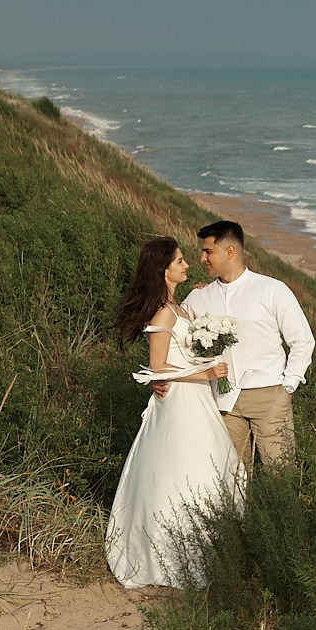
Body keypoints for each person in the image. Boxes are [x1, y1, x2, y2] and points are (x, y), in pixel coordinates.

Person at [105, 237, 244, 589]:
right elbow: (157, 366)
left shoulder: (178, 307)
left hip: (197, 400)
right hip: (181, 402)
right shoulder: (165, 312)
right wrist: (206, 373)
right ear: (163, 269)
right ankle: (170, 552)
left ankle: (207, 548)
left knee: (207, 468)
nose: (186, 265)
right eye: (180, 261)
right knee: (184, 469)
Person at [170, 220, 314, 470]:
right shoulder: (198, 296)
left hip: (269, 395)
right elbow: (177, 340)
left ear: (230, 251)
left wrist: (288, 386)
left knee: (280, 472)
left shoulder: (272, 290)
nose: (202, 258)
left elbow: (302, 340)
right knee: (231, 476)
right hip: (223, 400)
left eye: (208, 251)